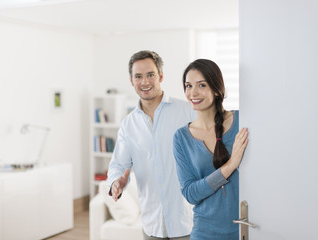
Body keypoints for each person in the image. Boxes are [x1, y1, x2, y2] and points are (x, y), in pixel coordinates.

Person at [107, 50, 196, 239]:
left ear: (161, 76)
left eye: (150, 75)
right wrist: (117, 181)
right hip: (151, 225)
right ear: (131, 80)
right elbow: (118, 165)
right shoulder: (128, 124)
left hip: (186, 222)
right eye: (138, 76)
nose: (144, 82)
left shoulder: (186, 111)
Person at [173, 59, 249, 240]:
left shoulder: (243, 121)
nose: (193, 92)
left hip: (245, 229)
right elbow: (190, 193)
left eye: (201, 85)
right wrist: (230, 165)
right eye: (188, 86)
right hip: (204, 232)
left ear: (216, 89)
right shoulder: (181, 138)